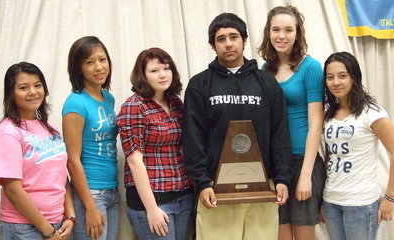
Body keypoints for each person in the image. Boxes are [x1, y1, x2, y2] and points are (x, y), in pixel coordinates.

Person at [182, 13, 292, 240]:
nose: (228, 43)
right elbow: (193, 138)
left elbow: (279, 133)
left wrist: (282, 179)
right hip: (215, 191)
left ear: (244, 39)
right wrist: (202, 182)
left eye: (233, 36)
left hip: (263, 189)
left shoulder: (267, 82)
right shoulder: (199, 85)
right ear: (212, 45)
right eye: (221, 39)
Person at [257, 5, 326, 240]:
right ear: (268, 33)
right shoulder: (264, 70)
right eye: (276, 30)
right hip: (276, 165)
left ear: (298, 33)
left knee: (304, 235)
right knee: (279, 234)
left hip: (302, 161)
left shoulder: (311, 67)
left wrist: (306, 174)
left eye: (288, 30)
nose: (281, 36)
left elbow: (316, 123)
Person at [116, 47, 193, 240]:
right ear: (142, 76)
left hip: (182, 195)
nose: (162, 75)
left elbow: (183, 148)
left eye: (166, 69)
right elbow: (134, 161)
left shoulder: (176, 103)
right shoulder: (134, 106)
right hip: (153, 201)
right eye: (154, 71)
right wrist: (151, 209)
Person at [0, 62, 75, 239]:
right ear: (11, 93)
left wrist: (70, 216)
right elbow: (13, 190)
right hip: (23, 228)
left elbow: (62, 176)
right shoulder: (8, 132)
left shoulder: (50, 128)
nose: (33, 92)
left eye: (37, 85)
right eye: (24, 87)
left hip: (57, 223)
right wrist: (48, 231)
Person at [321, 51, 394, 240]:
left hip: (361, 203)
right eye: (330, 77)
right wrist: (323, 199)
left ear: (354, 77)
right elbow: (331, 155)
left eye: (342, 76)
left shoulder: (372, 112)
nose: (335, 82)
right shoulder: (329, 114)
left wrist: (390, 197)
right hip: (331, 202)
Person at [62, 36, 120, 240]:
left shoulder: (108, 98)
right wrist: (89, 206)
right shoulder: (75, 103)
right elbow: (72, 160)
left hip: (112, 190)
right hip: (91, 193)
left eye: (102, 60)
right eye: (90, 62)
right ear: (79, 68)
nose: (99, 67)